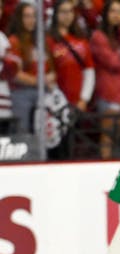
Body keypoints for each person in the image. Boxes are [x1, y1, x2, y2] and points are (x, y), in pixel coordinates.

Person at [46, 0, 94, 157]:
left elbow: (89, 72)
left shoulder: (81, 41)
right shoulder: (49, 41)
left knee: (73, 146)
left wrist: (84, 99)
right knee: (56, 147)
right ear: (55, 15)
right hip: (55, 103)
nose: (67, 16)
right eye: (63, 12)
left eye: (70, 12)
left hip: (76, 103)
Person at [5, 1, 55, 134]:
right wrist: (41, 80)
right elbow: (15, 75)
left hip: (43, 93)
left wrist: (50, 77)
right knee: (23, 132)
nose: (31, 20)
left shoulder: (42, 41)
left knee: (46, 133)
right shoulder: (13, 41)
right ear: (19, 18)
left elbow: (51, 69)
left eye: (33, 16)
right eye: (26, 16)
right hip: (21, 93)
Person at [90, 0, 120, 159]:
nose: (117, 15)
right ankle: (104, 166)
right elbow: (112, 62)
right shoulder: (98, 36)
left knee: (116, 137)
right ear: (106, 14)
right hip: (109, 91)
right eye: (113, 11)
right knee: (107, 137)